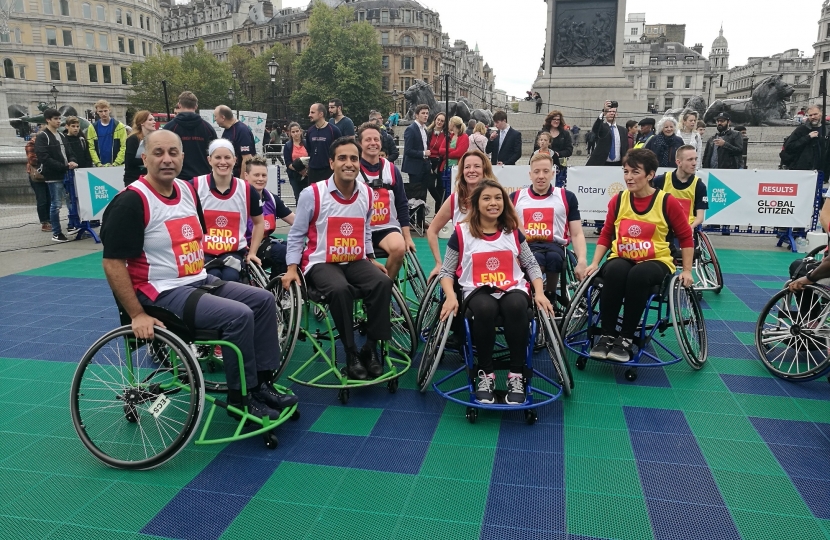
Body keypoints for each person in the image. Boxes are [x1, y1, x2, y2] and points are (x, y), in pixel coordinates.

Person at [100, 129, 296, 420]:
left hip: (197, 280)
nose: (167, 159)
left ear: (182, 157)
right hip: (161, 292)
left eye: (173, 152)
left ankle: (261, 384)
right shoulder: (132, 201)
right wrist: (136, 314)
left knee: (264, 301)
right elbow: (113, 263)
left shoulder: (188, 191)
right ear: (144, 158)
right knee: (238, 315)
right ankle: (241, 398)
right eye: (158, 153)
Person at [282, 137, 393, 381]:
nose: (349, 163)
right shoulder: (312, 194)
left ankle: (370, 348)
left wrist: (371, 257)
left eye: (354, 158)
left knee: (382, 282)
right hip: (321, 262)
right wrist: (291, 268)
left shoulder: (366, 192)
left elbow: (364, 229)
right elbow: (297, 233)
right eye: (342, 158)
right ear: (331, 163)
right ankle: (351, 352)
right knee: (340, 289)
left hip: (354, 259)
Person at [437, 179, 553, 405]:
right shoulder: (461, 233)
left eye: (498, 198)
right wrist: (451, 296)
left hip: (512, 288)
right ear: (476, 203)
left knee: (517, 306)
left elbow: (530, 265)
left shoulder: (513, 232)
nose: (493, 203)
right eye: (487, 198)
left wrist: (539, 292)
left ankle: (516, 374)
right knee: (484, 308)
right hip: (477, 290)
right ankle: (486, 373)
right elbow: (447, 271)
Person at [585, 149, 694, 363]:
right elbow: (607, 233)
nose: (629, 177)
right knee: (615, 270)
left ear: (650, 175)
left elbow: (685, 237)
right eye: (626, 172)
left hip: (656, 260)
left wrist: (688, 270)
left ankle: (626, 338)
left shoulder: (667, 202)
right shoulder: (618, 200)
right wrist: (595, 262)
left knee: (638, 274)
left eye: (635, 172)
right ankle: (606, 335)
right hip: (623, 256)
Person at [510, 153, 587, 302]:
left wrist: (582, 259)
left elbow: (577, 234)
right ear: (530, 175)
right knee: (535, 259)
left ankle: (550, 294)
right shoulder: (516, 197)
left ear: (552, 174)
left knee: (554, 258)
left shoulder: (566, 197)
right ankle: (533, 297)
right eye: (536, 172)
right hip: (527, 246)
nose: (541, 176)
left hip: (555, 246)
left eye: (546, 171)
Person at [192, 139, 265, 283]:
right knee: (213, 278)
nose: (223, 162)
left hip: (234, 253)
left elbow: (259, 223)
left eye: (227, 157)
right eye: (218, 157)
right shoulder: (194, 186)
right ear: (209, 160)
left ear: (235, 160)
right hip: (203, 252)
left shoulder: (246, 189)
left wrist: (253, 253)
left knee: (231, 278)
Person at [356, 122, 415, 278]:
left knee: (399, 248)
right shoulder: (352, 169)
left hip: (386, 227)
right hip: (359, 228)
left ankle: (384, 286)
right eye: (368, 140)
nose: (373, 143)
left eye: (376, 139)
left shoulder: (391, 169)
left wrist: (407, 237)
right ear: (360, 144)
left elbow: (402, 203)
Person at [427, 149, 493, 278]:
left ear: (485, 170)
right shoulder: (455, 200)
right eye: (467, 167)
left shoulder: (497, 198)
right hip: (461, 266)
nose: (471, 170)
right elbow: (432, 230)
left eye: (477, 166)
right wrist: (439, 263)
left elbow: (516, 230)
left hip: (490, 263)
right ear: (462, 172)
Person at [244, 156, 294, 275]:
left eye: (264, 175)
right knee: (281, 251)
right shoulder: (239, 198)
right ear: (246, 176)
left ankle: (277, 285)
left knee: (295, 249)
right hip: (245, 248)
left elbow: (295, 220)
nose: (260, 179)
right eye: (256, 175)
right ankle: (278, 289)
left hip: (264, 243)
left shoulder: (271, 198)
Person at [35, 108, 77, 243]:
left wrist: (72, 160)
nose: (59, 121)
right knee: (56, 204)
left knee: (71, 201)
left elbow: (69, 151)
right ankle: (56, 232)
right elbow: (44, 157)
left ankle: (72, 225)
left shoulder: (62, 135)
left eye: (59, 119)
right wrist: (63, 166)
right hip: (53, 175)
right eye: (56, 119)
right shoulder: (43, 136)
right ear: (48, 120)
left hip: (66, 173)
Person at [652, 145, 708, 237]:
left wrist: (690, 227)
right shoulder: (661, 180)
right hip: (662, 229)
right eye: (690, 160)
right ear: (679, 162)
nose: (694, 163)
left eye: (695, 159)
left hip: (685, 229)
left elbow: (700, 217)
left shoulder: (699, 185)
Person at [162, 91, 217, 182]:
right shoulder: (208, 128)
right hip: (203, 178)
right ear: (196, 106)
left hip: (178, 178)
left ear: (179, 105)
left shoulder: (170, 127)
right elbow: (215, 152)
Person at [402, 104, 434, 213]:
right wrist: (423, 153)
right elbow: (408, 151)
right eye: (423, 113)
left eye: (427, 113)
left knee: (423, 194)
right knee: (415, 196)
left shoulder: (424, 129)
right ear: (416, 115)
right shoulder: (411, 129)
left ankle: (421, 219)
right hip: (415, 168)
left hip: (424, 166)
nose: (426, 116)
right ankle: (413, 221)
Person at [214, 105, 256, 178]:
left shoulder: (241, 131)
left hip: (238, 177)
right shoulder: (227, 130)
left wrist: (242, 182)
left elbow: (247, 158)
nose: (215, 119)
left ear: (223, 117)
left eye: (215, 116)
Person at [535, 110, 573, 186]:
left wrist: (559, 154)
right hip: (544, 164)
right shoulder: (542, 133)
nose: (556, 121)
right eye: (554, 119)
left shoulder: (565, 134)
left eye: (558, 119)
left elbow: (569, 150)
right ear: (550, 120)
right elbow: (536, 149)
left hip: (561, 164)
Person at [306, 103, 342, 183]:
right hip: (313, 171)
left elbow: (340, 150)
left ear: (321, 114)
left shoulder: (334, 130)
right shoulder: (310, 131)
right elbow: (309, 149)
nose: (309, 115)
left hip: (328, 171)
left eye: (312, 112)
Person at [781, 105, 824, 170]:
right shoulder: (801, 129)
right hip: (803, 168)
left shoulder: (827, 129)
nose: (813, 117)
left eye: (815, 114)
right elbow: (789, 146)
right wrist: (808, 137)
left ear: (821, 113)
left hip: (822, 168)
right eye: (810, 115)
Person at [586, 100, 628, 166]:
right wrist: (603, 112)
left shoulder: (623, 130)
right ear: (605, 114)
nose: (611, 113)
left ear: (617, 114)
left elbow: (625, 147)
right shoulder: (602, 127)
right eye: (609, 111)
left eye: (613, 111)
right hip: (603, 163)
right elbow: (595, 129)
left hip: (618, 164)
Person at [86, 99, 127, 167]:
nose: (103, 114)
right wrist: (98, 163)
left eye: (105, 111)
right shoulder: (92, 127)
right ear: (97, 112)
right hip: (99, 166)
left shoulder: (119, 126)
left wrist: (116, 163)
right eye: (101, 111)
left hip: (117, 166)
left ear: (109, 110)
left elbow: (124, 146)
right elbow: (91, 147)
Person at [25, 136, 51, 232]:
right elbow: (32, 160)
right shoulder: (31, 144)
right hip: (36, 175)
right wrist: (46, 159)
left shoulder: (49, 141)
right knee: (42, 199)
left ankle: (50, 220)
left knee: (50, 198)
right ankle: (44, 222)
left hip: (49, 173)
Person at [123, 111, 155, 186]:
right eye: (150, 120)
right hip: (134, 178)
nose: (154, 122)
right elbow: (129, 162)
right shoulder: (133, 139)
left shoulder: (154, 138)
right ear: (142, 123)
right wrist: (149, 159)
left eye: (154, 119)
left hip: (150, 177)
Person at [283, 121, 309, 200]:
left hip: (307, 174)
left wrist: (306, 171)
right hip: (294, 175)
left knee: (309, 197)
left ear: (300, 131)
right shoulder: (288, 146)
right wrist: (300, 171)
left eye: (297, 131)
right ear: (290, 133)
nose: (295, 133)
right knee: (298, 197)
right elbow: (288, 162)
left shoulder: (307, 143)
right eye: (293, 132)